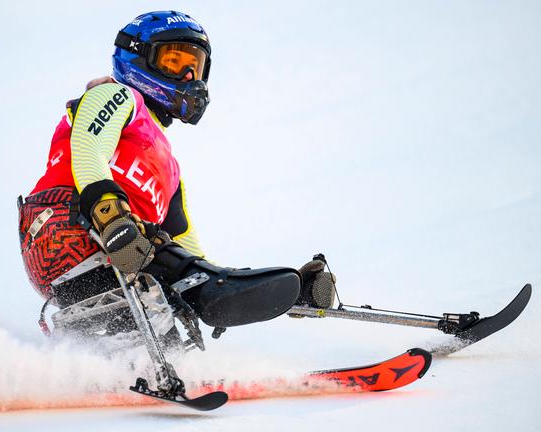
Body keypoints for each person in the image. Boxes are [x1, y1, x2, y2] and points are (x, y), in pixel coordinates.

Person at [17, 11, 332, 339]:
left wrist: (272, 296)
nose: (186, 76)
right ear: (138, 58)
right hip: (64, 228)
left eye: (194, 67)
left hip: (117, 261)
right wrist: (112, 218)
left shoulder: (170, 170)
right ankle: (221, 295)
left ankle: (124, 365)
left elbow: (190, 255)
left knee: (183, 288)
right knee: (176, 271)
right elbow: (88, 150)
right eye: (173, 61)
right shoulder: (116, 96)